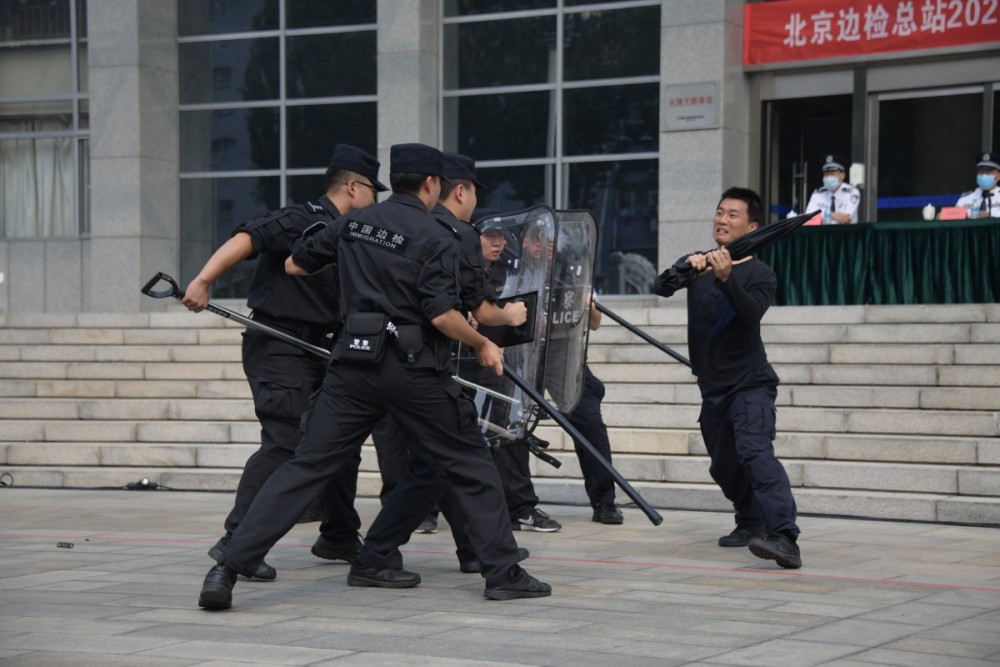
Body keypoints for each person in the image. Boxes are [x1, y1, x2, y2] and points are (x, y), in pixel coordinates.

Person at [197, 143, 550, 610]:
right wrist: (483, 342)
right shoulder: (436, 235)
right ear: (431, 184)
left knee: (307, 466)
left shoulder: (351, 224)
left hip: (351, 366)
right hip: (414, 369)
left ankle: (227, 566)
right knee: (469, 462)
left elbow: (294, 263)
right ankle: (503, 573)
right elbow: (443, 316)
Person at [181, 144, 387, 580]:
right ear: (352, 186)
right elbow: (245, 239)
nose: (376, 200)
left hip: (324, 348)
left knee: (338, 440)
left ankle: (338, 534)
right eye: (373, 190)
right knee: (285, 439)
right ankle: (236, 541)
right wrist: (202, 282)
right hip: (281, 345)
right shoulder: (302, 218)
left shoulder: (347, 232)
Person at [652, 186, 802, 570]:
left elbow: (750, 315)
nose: (722, 219)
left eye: (733, 215)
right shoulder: (698, 265)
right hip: (712, 385)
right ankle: (749, 520)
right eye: (720, 212)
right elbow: (660, 287)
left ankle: (784, 536)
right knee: (723, 464)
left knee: (754, 451)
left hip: (750, 382)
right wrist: (685, 267)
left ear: (752, 226)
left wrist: (725, 278)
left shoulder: (760, 273)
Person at [478, 216, 563, 534]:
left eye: (501, 237)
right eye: (490, 236)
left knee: (509, 433)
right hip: (460, 364)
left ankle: (521, 506)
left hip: (500, 364)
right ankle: (428, 509)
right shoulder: (459, 268)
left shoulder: (509, 273)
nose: (497, 243)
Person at [565, 294, 623, 525]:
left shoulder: (569, 272)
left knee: (590, 423)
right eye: (539, 251)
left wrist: (588, 304)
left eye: (551, 252)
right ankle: (519, 506)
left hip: (566, 358)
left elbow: (595, 323)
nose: (547, 253)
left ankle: (604, 502)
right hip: (522, 354)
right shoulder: (512, 270)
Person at [804, 154, 860, 224]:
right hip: (822, 233)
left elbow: (846, 219)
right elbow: (809, 217)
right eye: (826, 174)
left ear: (842, 175)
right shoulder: (818, 193)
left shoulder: (851, 192)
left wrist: (824, 214)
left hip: (844, 233)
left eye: (832, 174)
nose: (828, 177)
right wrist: (834, 215)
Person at [955, 151, 1000, 219]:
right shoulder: (965, 198)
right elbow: (954, 217)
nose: (984, 175)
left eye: (988, 173)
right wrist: (942, 216)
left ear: (998, 176)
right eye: (981, 172)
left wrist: (990, 215)